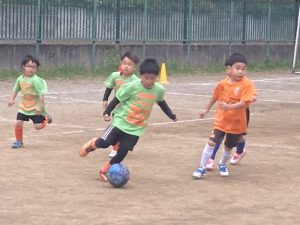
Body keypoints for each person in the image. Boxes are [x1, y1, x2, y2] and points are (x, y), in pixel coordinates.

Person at [80, 58, 177, 182]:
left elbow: (162, 102)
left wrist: (171, 115)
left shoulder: (158, 90)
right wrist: (107, 111)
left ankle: (105, 170)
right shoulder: (132, 86)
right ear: (141, 76)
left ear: (156, 78)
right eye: (146, 78)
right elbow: (117, 99)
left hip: (136, 128)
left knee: (122, 152)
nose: (148, 81)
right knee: (104, 143)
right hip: (120, 121)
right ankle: (92, 144)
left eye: (152, 78)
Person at [192, 53, 256, 179]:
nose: (241, 71)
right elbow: (215, 97)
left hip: (237, 123)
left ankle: (222, 164)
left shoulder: (247, 84)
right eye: (238, 68)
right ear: (229, 69)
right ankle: (202, 167)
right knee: (211, 142)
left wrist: (229, 107)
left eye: (243, 69)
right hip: (221, 121)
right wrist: (206, 110)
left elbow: (244, 103)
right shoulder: (222, 84)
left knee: (228, 147)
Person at [8, 54, 52, 149]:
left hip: (35, 108)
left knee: (37, 127)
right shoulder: (20, 79)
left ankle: (46, 119)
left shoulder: (36, 80)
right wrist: (11, 100)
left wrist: (40, 107)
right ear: (23, 67)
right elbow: (15, 90)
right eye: (29, 66)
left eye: (34, 67)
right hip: (23, 107)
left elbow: (41, 95)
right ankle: (19, 141)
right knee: (18, 122)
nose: (31, 69)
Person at [102, 51, 140, 158]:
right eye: (124, 64)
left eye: (129, 65)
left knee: (121, 128)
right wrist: (105, 99)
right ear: (121, 64)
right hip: (116, 107)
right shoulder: (115, 76)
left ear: (134, 67)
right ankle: (115, 146)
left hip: (128, 109)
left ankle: (115, 148)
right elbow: (109, 86)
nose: (126, 66)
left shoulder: (136, 81)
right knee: (116, 127)